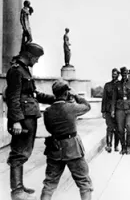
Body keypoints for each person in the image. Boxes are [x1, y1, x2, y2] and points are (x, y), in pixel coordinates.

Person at [6, 42, 55, 200]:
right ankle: (17, 191)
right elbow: (13, 98)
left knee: (24, 152)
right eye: (36, 58)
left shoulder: (24, 70)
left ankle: (19, 186)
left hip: (29, 117)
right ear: (29, 55)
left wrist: (57, 99)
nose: (37, 61)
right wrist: (16, 121)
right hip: (22, 119)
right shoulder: (16, 71)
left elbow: (34, 94)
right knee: (19, 153)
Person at [40, 80, 93, 200]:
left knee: (49, 184)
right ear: (66, 93)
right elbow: (87, 106)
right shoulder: (71, 107)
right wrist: (75, 95)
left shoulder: (48, 112)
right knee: (84, 183)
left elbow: (49, 129)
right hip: (73, 149)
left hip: (54, 149)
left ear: (54, 94)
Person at [112, 67, 130, 155]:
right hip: (119, 108)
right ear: (121, 74)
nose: (124, 75)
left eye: (126, 74)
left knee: (129, 128)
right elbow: (114, 98)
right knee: (120, 129)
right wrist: (112, 110)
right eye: (123, 74)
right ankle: (123, 147)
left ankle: (128, 147)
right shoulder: (117, 85)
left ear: (128, 74)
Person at [101, 68, 120, 153]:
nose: (113, 76)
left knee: (118, 129)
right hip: (108, 109)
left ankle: (116, 145)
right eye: (113, 74)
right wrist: (103, 111)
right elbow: (104, 98)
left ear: (118, 75)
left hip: (118, 109)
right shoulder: (107, 85)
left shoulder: (120, 85)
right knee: (109, 128)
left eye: (115, 74)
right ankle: (109, 145)